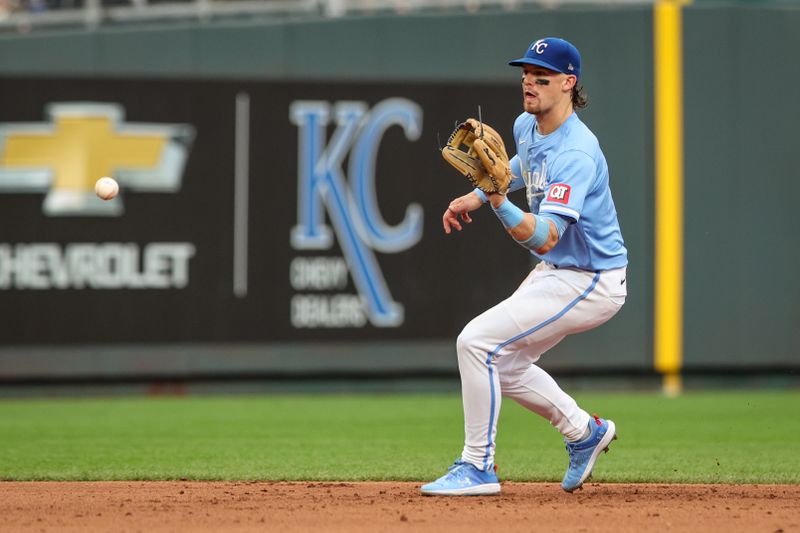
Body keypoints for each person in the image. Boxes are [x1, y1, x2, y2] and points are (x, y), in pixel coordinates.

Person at [421, 37, 628, 496]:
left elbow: (544, 236)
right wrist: (476, 196)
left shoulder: (577, 152)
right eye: (525, 76)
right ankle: (583, 432)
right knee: (505, 363)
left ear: (568, 84)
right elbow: (517, 166)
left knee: (475, 342)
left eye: (542, 78)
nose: (529, 85)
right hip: (561, 271)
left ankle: (478, 466)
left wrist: (494, 200)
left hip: (591, 280)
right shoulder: (526, 125)